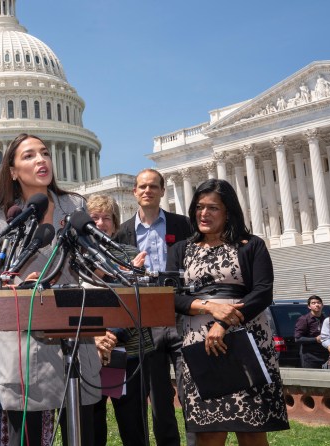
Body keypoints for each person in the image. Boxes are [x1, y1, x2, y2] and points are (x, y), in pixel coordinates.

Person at [0, 133, 101, 445]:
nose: (41, 160)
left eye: (44, 153)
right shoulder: (0, 220)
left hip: (76, 335)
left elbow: (91, 264)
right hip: (24, 342)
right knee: (28, 436)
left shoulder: (75, 207)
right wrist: (18, 284)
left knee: (85, 433)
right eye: (29, 156)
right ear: (13, 171)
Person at [166, 178, 289, 445]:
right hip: (199, 348)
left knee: (251, 430)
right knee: (209, 433)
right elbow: (171, 296)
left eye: (213, 208)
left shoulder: (251, 245)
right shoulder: (180, 250)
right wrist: (209, 307)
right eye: (199, 207)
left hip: (247, 343)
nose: (204, 214)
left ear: (228, 211)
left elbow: (262, 292)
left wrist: (223, 323)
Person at [112, 168, 192, 446]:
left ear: (162, 190)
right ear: (134, 192)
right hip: (146, 322)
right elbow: (117, 279)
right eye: (142, 187)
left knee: (191, 392)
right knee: (159, 396)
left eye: (153, 186)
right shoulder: (122, 233)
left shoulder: (182, 225)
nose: (147, 191)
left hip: (182, 316)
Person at [85, 193, 153, 446]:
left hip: (129, 352)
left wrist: (111, 335)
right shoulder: (73, 260)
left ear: (115, 225)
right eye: (94, 218)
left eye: (107, 218)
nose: (101, 223)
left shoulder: (130, 254)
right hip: (88, 353)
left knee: (133, 425)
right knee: (91, 425)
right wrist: (94, 336)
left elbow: (138, 301)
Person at [294, 295, 330, 368]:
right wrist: (315, 339)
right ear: (309, 306)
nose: (316, 305)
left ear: (322, 305)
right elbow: (298, 339)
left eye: (319, 303)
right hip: (310, 357)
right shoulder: (304, 319)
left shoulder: (326, 319)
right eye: (313, 303)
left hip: (326, 356)